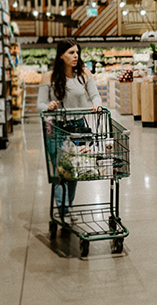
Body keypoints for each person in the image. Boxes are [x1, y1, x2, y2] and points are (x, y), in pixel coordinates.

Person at [37, 38, 103, 222]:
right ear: (61, 55)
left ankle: (68, 207)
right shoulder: (48, 77)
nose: (76, 56)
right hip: (56, 127)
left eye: (77, 52)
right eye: (71, 53)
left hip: (78, 127)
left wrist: (97, 105)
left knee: (73, 169)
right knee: (60, 171)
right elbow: (39, 105)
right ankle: (64, 210)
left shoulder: (84, 74)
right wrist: (48, 105)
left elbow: (95, 96)